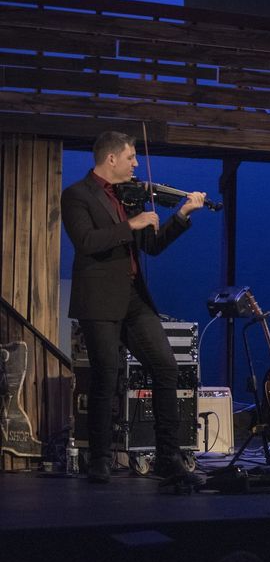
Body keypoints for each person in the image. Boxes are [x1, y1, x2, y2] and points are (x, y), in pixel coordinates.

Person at [62, 131, 209, 486]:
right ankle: (99, 459)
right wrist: (131, 224)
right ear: (111, 158)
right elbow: (86, 242)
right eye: (130, 158)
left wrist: (182, 215)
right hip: (98, 299)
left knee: (166, 368)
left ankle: (168, 457)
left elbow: (152, 245)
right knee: (105, 376)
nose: (136, 164)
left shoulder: (130, 197)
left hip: (133, 297)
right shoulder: (77, 195)